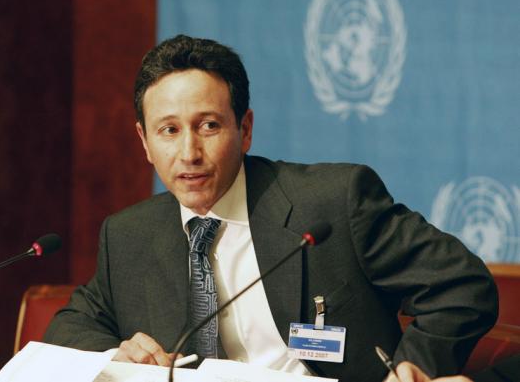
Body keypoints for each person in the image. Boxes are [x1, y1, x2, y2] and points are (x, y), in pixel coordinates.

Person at [44, 35, 498, 382]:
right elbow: (70, 327)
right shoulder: (129, 235)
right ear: (144, 141)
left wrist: (410, 369)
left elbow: (462, 286)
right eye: (169, 130)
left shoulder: (333, 202)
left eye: (208, 125)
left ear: (245, 130)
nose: (189, 153)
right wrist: (117, 355)